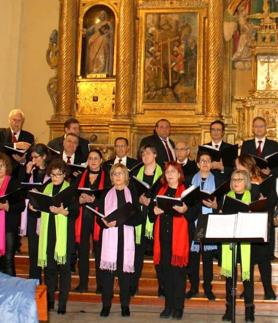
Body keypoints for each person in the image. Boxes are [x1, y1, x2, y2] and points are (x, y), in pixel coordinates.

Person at [30, 159, 78, 314]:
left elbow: (75, 211)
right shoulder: (46, 187)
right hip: (48, 232)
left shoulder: (70, 190)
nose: (56, 177)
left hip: (64, 235)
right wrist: (33, 206)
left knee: (64, 270)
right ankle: (50, 300)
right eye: (53, 174)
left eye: (59, 174)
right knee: (49, 269)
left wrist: (65, 212)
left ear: (65, 174)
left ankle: (62, 303)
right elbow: (38, 205)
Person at [97, 163, 142, 317]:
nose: (117, 176)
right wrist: (104, 222)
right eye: (114, 174)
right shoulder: (105, 195)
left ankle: (125, 305)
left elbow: (139, 218)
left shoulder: (132, 194)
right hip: (110, 237)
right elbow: (99, 218)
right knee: (108, 274)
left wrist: (120, 221)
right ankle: (106, 305)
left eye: (120, 173)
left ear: (126, 176)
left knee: (124, 275)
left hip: (125, 237)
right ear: (111, 177)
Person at [151, 161, 190, 319]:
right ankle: (168, 306)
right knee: (165, 275)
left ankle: (178, 307)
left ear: (179, 174)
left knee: (178, 275)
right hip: (163, 238)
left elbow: (193, 213)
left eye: (173, 171)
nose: (170, 174)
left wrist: (184, 210)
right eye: (167, 172)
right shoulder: (160, 190)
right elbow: (152, 213)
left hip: (178, 239)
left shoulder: (185, 191)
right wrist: (154, 211)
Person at [235, 154, 276, 300]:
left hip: (261, 224)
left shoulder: (264, 181)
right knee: (247, 260)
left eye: (238, 166)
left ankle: (268, 290)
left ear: (246, 165)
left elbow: (273, 201)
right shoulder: (238, 182)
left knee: (264, 260)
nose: (236, 169)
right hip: (246, 225)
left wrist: (263, 201)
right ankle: (248, 290)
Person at [186, 151, 223, 301]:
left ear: (211, 163)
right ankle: (194, 287)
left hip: (210, 221)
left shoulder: (218, 180)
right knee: (193, 257)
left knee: (207, 258)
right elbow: (186, 202)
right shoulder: (189, 180)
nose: (205, 163)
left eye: (208, 161)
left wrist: (215, 205)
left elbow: (221, 202)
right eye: (202, 161)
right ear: (197, 164)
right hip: (194, 222)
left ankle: (208, 288)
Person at [221, 169, 256, 322]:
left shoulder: (252, 197)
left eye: (240, 179)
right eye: (234, 179)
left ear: (246, 181)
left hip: (247, 242)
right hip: (230, 242)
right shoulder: (226, 198)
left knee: (247, 279)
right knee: (230, 279)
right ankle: (230, 310)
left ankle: (249, 311)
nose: (236, 182)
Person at [74, 149, 110, 293]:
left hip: (99, 218)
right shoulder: (80, 177)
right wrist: (80, 199)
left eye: (96, 158)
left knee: (100, 251)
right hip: (82, 218)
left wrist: (96, 200)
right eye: (90, 158)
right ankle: (83, 284)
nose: (93, 161)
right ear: (87, 161)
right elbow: (72, 196)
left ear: (101, 161)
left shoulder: (107, 177)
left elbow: (109, 198)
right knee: (82, 252)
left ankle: (101, 285)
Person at [131, 145, 163, 296]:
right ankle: (133, 285)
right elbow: (130, 195)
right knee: (137, 253)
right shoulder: (135, 174)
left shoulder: (163, 174)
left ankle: (162, 287)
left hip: (156, 217)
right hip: (139, 217)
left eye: (148, 153)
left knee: (159, 253)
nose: (145, 155)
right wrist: (138, 199)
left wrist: (149, 202)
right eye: (142, 153)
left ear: (155, 155)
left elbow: (165, 197)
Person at [20, 144, 50, 281]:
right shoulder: (30, 171)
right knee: (33, 250)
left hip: (45, 214)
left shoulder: (51, 172)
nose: (33, 160)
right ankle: (34, 281)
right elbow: (22, 190)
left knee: (46, 249)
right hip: (32, 213)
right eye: (31, 157)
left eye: (36, 157)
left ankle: (49, 283)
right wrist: (27, 172)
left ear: (44, 157)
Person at [0, 153, 25, 276]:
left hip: (9, 225)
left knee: (8, 258)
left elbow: (21, 206)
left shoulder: (14, 184)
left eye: (2, 166)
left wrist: (7, 207)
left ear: (7, 167)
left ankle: (11, 290)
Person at [0, 109, 34, 176]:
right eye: (14, 120)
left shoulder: (29, 137)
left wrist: (22, 161)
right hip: (2, 173)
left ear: (22, 122)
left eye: (19, 120)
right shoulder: (1, 133)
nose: (16, 122)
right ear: (9, 120)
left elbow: (31, 158)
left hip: (19, 174)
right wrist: (15, 145)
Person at [84, 10, 114, 76]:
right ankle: (93, 70)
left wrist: (105, 35)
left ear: (105, 16)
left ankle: (101, 70)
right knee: (92, 56)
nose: (102, 16)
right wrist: (84, 31)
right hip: (94, 43)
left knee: (102, 53)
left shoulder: (108, 23)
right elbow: (89, 31)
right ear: (99, 16)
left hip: (103, 42)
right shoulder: (96, 25)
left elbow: (110, 33)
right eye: (101, 14)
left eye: (103, 14)